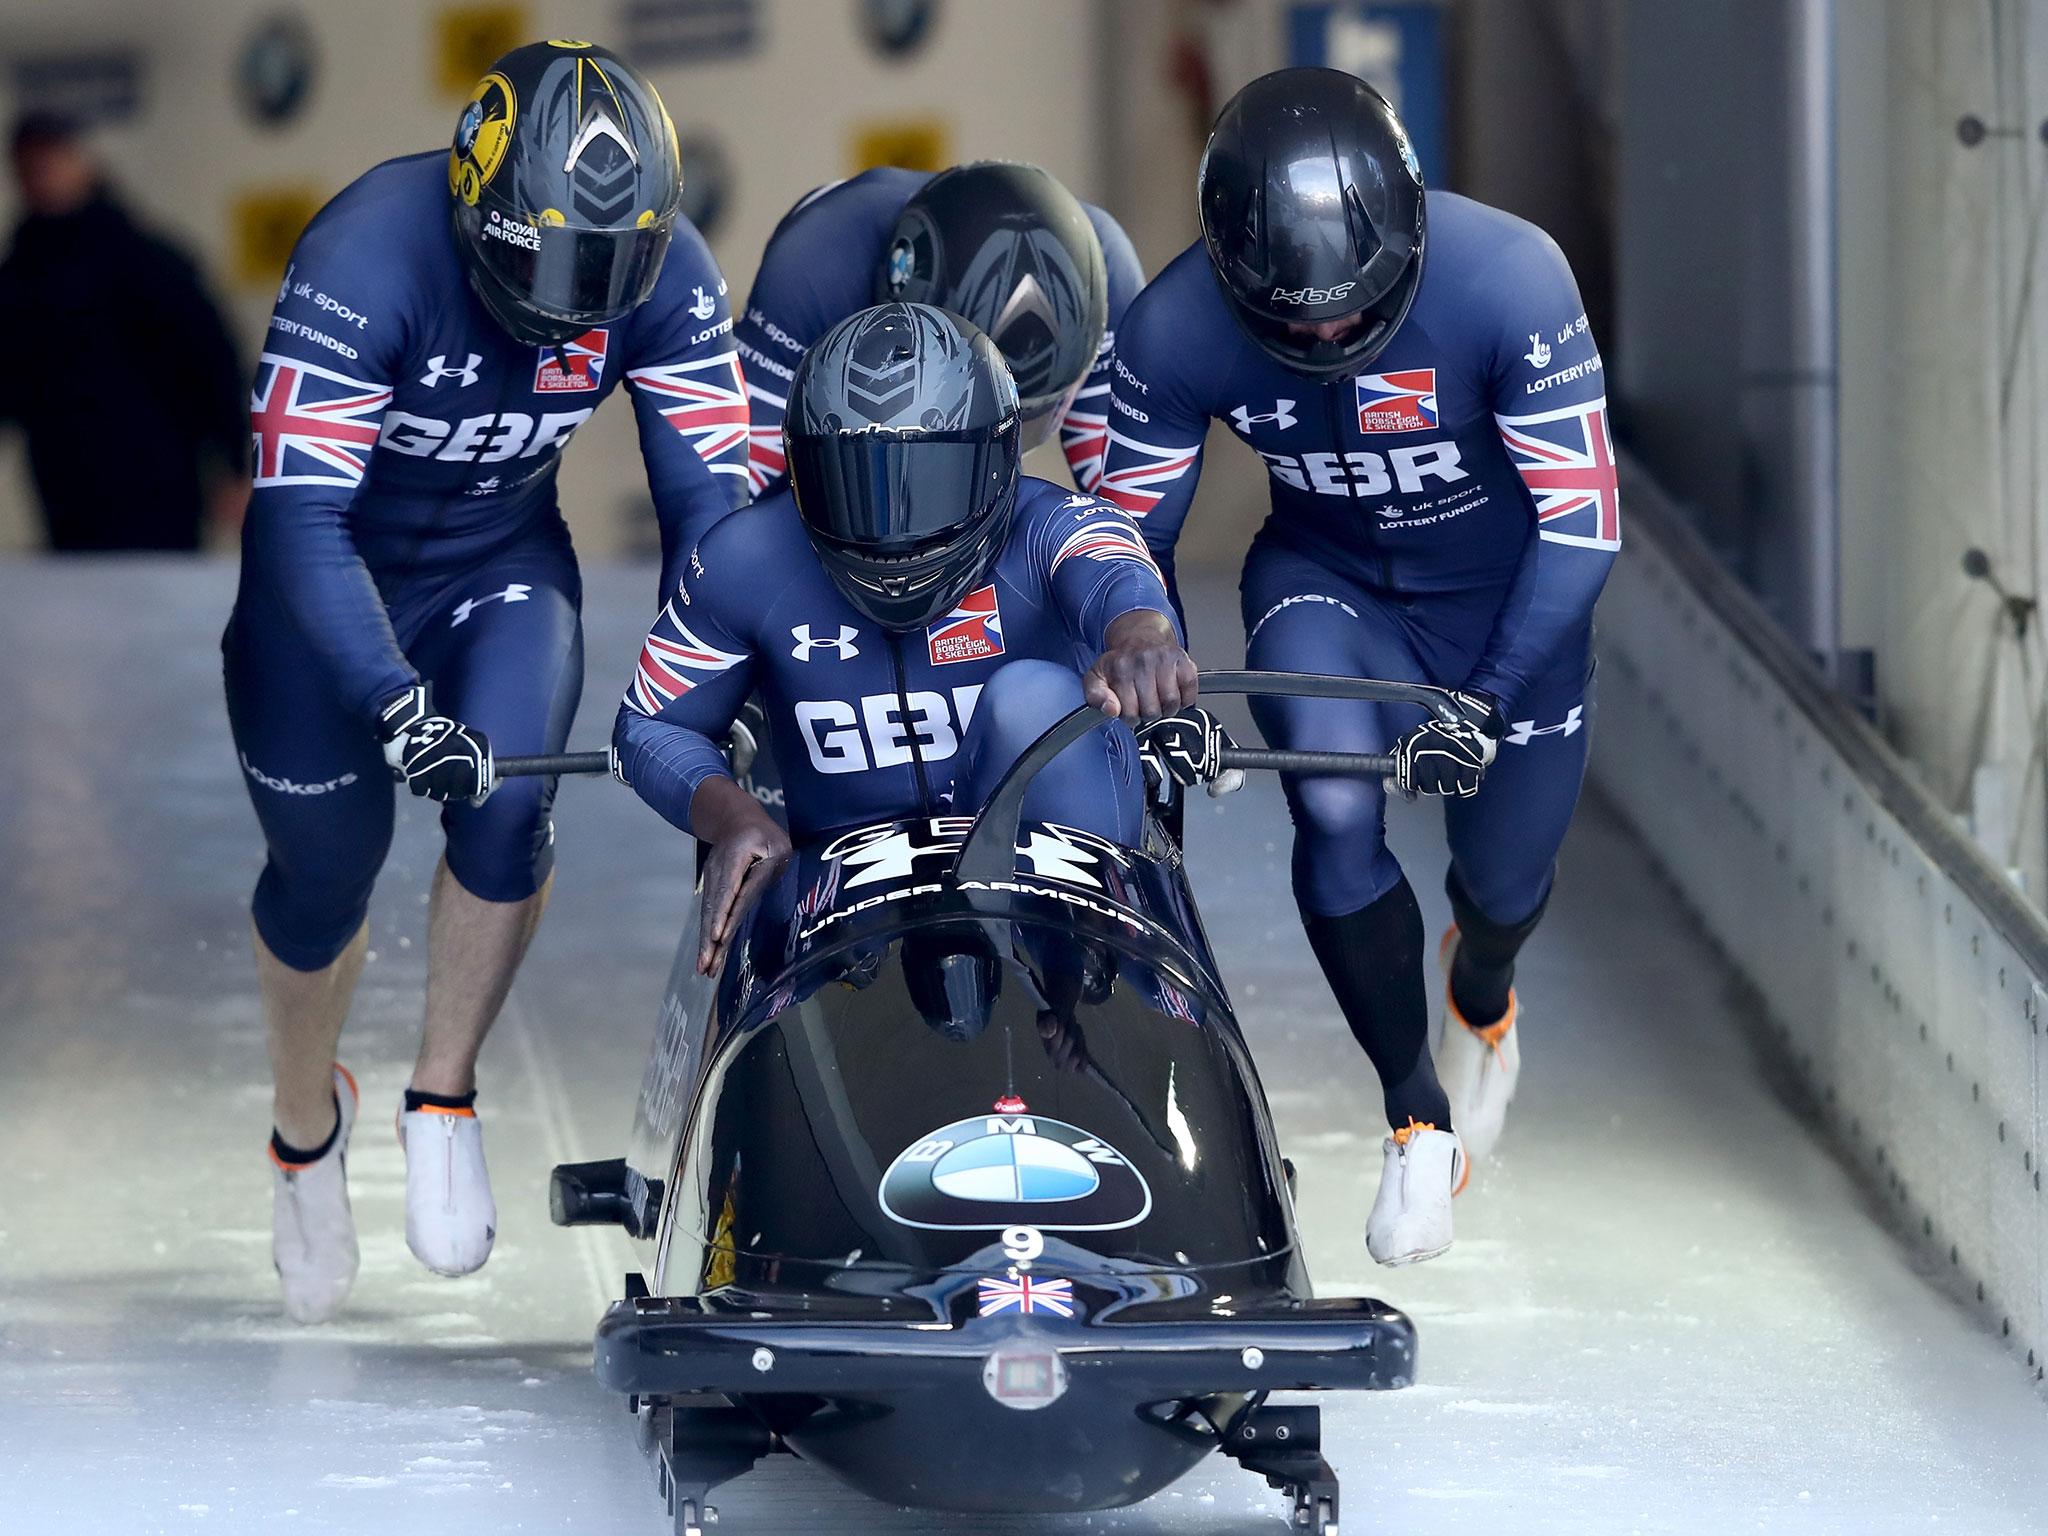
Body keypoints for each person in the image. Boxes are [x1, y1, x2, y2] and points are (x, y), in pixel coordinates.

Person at [226, 41, 749, 1323]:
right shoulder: (362, 257)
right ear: (475, 207)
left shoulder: (667, 272)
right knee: (320, 877)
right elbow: (300, 525)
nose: (576, 305)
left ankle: (442, 1092)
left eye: (606, 278)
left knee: (509, 803)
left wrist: (732, 684)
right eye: (550, 267)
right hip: (327, 591)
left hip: (500, 569)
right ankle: (308, 1126)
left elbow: (711, 510)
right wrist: (392, 703)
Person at [1101, 68, 1619, 1267]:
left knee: (1497, 889)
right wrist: (1152, 666)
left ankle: (1478, 996)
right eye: (1298, 321)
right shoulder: (1171, 330)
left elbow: (1582, 524)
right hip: (1326, 586)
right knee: (1331, 805)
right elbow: (1122, 542)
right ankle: (1414, 1120)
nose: (1330, 336)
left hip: (1508, 615)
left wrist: (1487, 700)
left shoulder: (1511, 279)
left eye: (1355, 311)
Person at [613, 301, 1195, 971]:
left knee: (1033, 701)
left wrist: (1141, 634)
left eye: (929, 480)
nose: (892, 527)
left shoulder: (1054, 527)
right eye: (855, 482)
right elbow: (649, 726)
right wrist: (732, 816)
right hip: (846, 912)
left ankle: (1078, 977)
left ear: (998, 456)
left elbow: (1114, 566)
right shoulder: (741, 560)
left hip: (1053, 892)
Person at [734, 160, 1144, 500]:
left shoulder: (1107, 269)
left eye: (1036, 416)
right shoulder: (817, 261)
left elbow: (1136, 528)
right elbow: (727, 497)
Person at [0, 110, 248, 550]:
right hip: (66, 490)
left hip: (159, 484)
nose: (41, 178)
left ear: (81, 161)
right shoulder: (20, 276)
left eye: (49, 162)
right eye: (28, 168)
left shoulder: (146, 259)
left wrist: (236, 465)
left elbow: (211, 358)